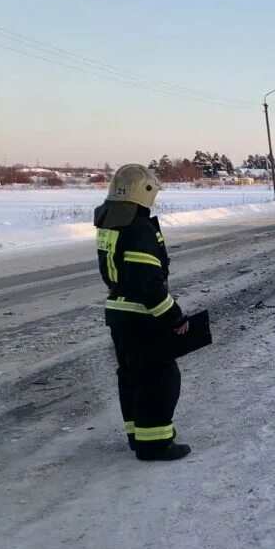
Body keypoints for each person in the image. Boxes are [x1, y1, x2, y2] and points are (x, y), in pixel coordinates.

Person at [94, 164, 191, 461]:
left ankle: (140, 435)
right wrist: (174, 315)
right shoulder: (138, 228)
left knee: (132, 376)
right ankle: (155, 444)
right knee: (159, 377)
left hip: (119, 313)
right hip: (141, 316)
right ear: (143, 192)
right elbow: (147, 284)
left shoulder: (111, 224)